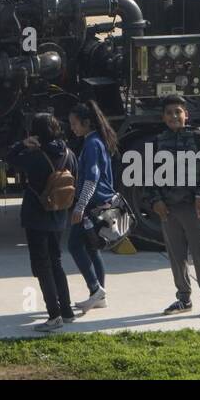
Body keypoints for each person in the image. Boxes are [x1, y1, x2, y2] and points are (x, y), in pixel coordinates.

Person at [4, 113, 79, 331]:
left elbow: (10, 158)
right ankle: (66, 310)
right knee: (56, 263)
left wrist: (22, 144)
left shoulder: (35, 156)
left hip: (37, 216)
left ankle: (53, 314)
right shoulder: (69, 154)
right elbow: (77, 177)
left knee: (42, 266)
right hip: (59, 216)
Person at [152, 94, 200, 319]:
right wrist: (156, 201)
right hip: (169, 210)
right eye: (169, 112)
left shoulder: (199, 138)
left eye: (178, 112)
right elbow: (147, 176)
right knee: (176, 256)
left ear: (186, 115)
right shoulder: (158, 142)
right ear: (163, 117)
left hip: (195, 207)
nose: (174, 116)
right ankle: (184, 298)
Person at [67, 100, 118, 314]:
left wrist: (80, 207)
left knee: (74, 245)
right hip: (102, 203)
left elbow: (91, 179)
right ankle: (98, 296)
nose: (72, 128)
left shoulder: (91, 144)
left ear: (87, 123)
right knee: (91, 247)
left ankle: (95, 289)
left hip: (93, 206)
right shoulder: (98, 140)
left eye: (75, 123)